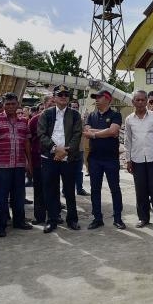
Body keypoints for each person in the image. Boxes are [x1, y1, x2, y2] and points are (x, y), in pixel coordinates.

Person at [0, 93, 33, 238]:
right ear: (3, 104)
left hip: (19, 165)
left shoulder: (24, 121)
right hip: (2, 165)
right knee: (1, 197)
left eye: (13, 104)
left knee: (19, 195)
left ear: (18, 104)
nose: (11, 107)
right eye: (8, 104)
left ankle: (19, 221)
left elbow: (26, 142)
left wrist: (29, 162)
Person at [37, 84, 83, 233]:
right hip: (50, 157)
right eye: (60, 95)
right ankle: (52, 219)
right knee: (50, 190)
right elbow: (41, 134)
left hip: (68, 158)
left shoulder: (75, 115)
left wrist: (65, 151)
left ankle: (72, 219)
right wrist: (55, 149)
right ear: (54, 97)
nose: (63, 97)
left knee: (69, 190)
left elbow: (77, 134)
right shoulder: (46, 114)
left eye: (66, 95)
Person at [83, 89, 125, 230]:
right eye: (95, 97)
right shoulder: (91, 115)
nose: (96, 99)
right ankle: (97, 218)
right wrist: (105, 132)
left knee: (115, 189)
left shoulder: (115, 115)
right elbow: (87, 133)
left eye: (99, 97)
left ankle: (118, 218)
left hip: (111, 158)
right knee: (95, 189)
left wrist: (95, 133)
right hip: (94, 158)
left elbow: (114, 131)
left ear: (108, 99)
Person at [125, 90, 153, 228]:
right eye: (137, 100)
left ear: (146, 101)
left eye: (143, 100)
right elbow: (128, 140)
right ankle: (143, 218)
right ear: (133, 102)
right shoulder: (129, 119)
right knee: (141, 190)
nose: (141, 102)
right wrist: (128, 159)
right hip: (137, 159)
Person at [28, 96, 54, 225]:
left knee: (53, 189)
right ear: (44, 104)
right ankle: (39, 216)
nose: (53, 105)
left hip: (54, 160)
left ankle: (54, 215)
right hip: (38, 159)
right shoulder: (34, 120)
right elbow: (29, 140)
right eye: (51, 103)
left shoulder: (59, 120)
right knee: (39, 189)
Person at [70, 100, 89, 196]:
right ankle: (66, 191)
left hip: (80, 149)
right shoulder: (66, 119)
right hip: (69, 150)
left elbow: (86, 131)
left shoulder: (81, 120)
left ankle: (79, 189)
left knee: (79, 170)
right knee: (68, 171)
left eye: (76, 107)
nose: (74, 109)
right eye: (72, 107)